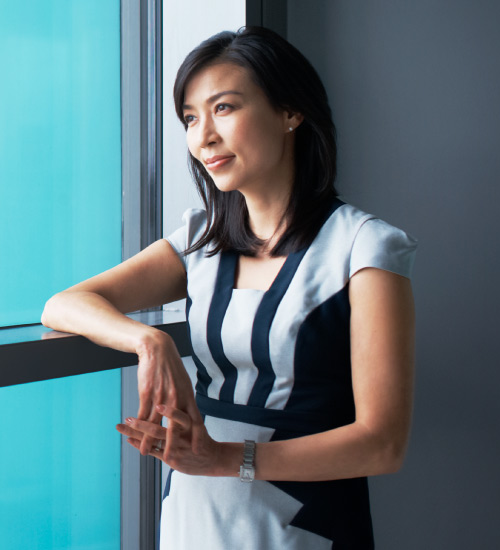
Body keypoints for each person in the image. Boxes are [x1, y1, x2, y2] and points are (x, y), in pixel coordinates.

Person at [41, 26, 415, 549]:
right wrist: (150, 341)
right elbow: (64, 305)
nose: (202, 137)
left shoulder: (365, 247)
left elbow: (383, 443)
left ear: (290, 112)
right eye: (191, 118)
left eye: (224, 108)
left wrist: (225, 459)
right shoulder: (200, 238)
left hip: (305, 525)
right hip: (194, 512)